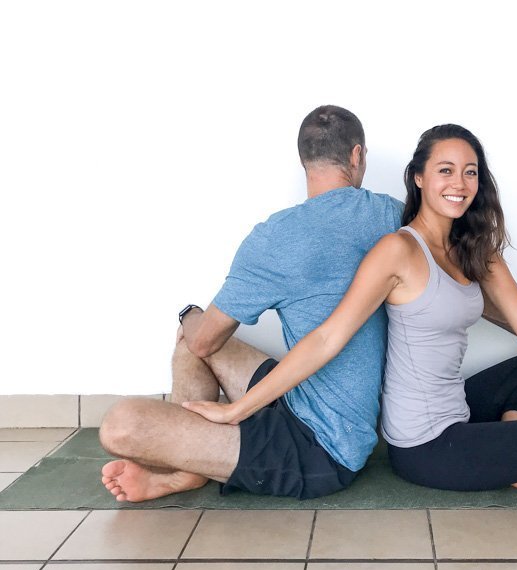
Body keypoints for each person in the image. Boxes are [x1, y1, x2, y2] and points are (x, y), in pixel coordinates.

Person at [184, 124, 517, 495]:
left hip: (457, 405)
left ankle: (509, 442)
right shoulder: (398, 250)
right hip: (425, 445)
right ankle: (509, 453)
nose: (458, 183)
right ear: (419, 178)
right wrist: (236, 410)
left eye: (470, 172)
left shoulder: (477, 251)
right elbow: (327, 338)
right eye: (445, 170)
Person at [99, 105, 404, 501]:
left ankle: (186, 469)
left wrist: (190, 314)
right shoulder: (393, 216)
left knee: (120, 425)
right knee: (190, 346)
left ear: (303, 161)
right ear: (357, 156)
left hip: (322, 450)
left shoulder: (275, 236)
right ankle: (188, 471)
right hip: (298, 396)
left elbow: (204, 339)